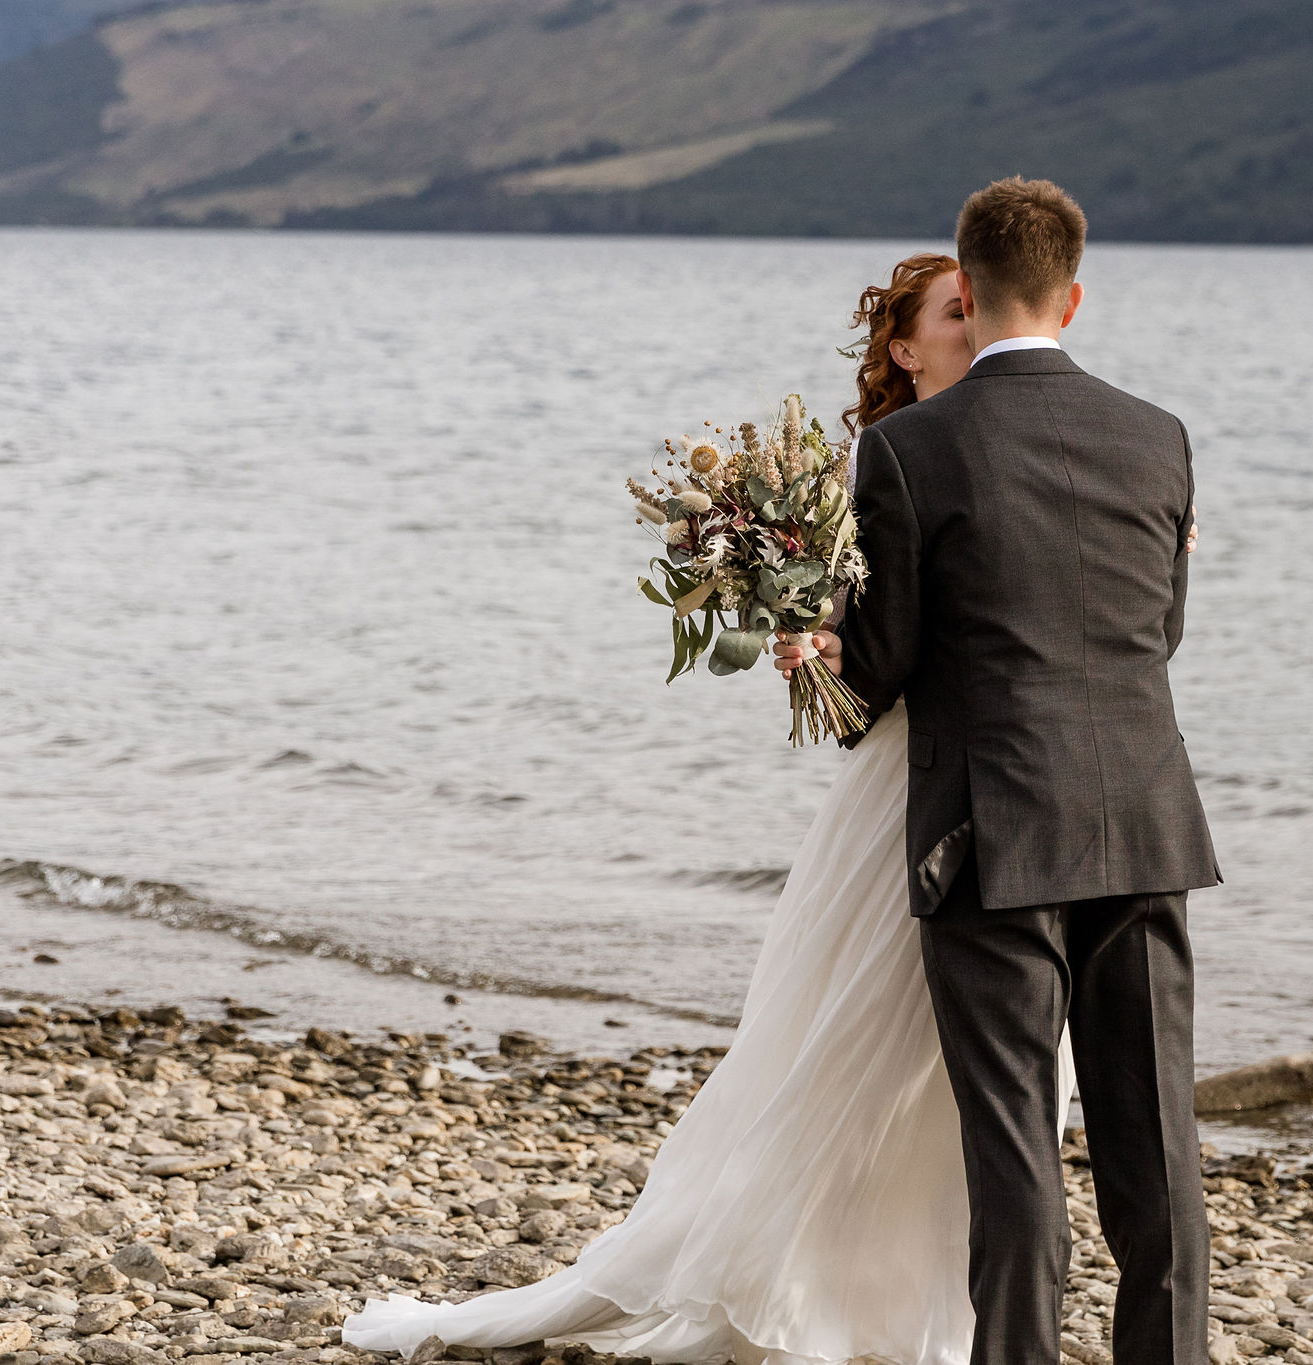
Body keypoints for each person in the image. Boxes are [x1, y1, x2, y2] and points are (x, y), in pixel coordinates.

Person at [343, 253, 1065, 1365]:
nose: (976, 324)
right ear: (904, 349)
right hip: (912, 798)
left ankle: (941, 1312)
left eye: (979, 307)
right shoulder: (880, 460)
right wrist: (809, 650)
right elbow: (869, 688)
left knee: (958, 1076)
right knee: (856, 1052)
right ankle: (807, 1295)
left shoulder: (1028, 441)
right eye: (952, 314)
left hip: (1022, 797)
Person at [776, 177, 1219, 1365]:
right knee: (1155, 1145)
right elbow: (1155, 638)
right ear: (1072, 297)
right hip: (1143, 823)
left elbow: (878, 676)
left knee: (1014, 1145)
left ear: (964, 291)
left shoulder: (908, 452)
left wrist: (816, 651)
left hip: (992, 839)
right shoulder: (1159, 437)